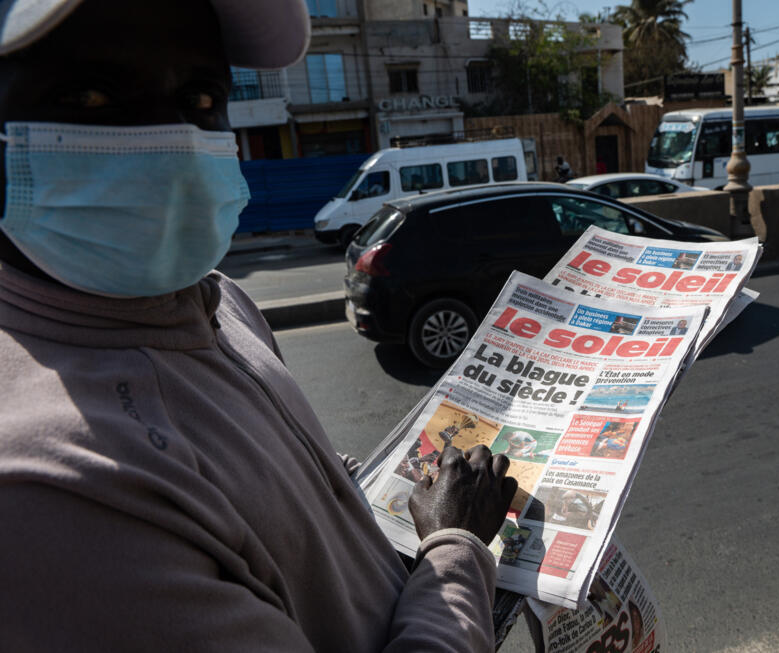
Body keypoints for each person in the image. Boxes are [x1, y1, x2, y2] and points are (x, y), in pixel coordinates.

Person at [0, 1, 517, 651]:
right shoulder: (47, 499)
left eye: (202, 93)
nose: (173, 137)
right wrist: (458, 545)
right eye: (90, 94)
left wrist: (360, 483)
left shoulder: (219, 301)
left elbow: (272, 484)